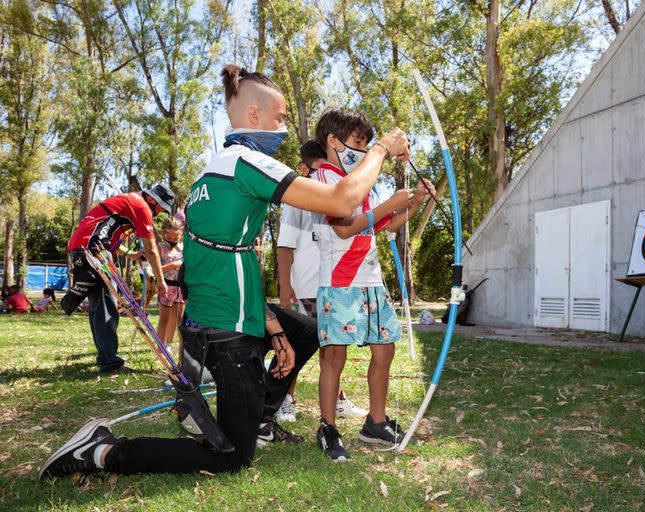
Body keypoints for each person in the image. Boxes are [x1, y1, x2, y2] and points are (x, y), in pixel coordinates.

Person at [39, 65, 410, 479]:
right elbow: (343, 200)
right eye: (281, 118)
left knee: (305, 331)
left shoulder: (213, 168)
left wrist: (273, 324)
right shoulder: (247, 163)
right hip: (226, 325)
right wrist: (381, 151)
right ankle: (104, 452)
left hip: (227, 310)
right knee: (233, 457)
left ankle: (261, 416)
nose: (284, 129)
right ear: (255, 117)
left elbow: (229, 254)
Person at [311, 107, 432, 462]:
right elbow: (344, 226)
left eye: (366, 143)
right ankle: (328, 429)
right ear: (332, 141)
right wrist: (388, 205)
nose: (362, 150)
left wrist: (414, 202)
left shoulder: (362, 181)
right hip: (340, 283)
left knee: (385, 350)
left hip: (371, 282)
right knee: (335, 356)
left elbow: (385, 225)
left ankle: (375, 423)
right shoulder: (324, 179)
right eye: (357, 142)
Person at [275, 140, 366, 423]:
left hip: (333, 284)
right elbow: (284, 246)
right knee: (298, 346)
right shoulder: (298, 197)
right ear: (305, 168)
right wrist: (285, 288)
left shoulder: (339, 193)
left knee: (335, 347)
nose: (322, 176)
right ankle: (284, 399)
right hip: (305, 286)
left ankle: (337, 399)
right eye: (317, 169)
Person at [60, 184, 175, 374]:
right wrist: (161, 280)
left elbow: (109, 235)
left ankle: (106, 358)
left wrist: (132, 255)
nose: (160, 213)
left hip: (88, 246)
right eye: (161, 208)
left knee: (100, 306)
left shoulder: (131, 202)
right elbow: (151, 248)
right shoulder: (142, 207)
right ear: (153, 200)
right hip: (93, 250)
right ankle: (109, 363)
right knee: (106, 305)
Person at [155, 218, 186, 354]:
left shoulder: (183, 247)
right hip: (166, 287)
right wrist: (173, 265)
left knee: (179, 320)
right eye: (169, 236)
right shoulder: (160, 248)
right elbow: (155, 270)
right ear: (164, 233)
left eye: (176, 237)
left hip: (181, 287)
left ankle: (177, 349)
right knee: (164, 319)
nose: (172, 239)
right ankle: (160, 351)